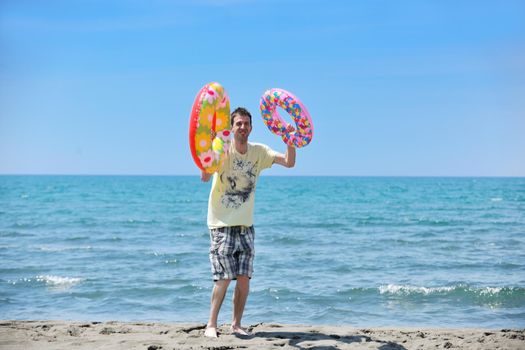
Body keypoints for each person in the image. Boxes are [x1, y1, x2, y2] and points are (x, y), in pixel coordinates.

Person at [201, 107, 296, 338]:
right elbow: (205, 176)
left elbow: (289, 163)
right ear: (232, 128)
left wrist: (290, 141)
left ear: (251, 128)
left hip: (246, 226)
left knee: (244, 280)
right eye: (238, 124)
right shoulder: (222, 149)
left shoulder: (258, 152)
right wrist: (210, 147)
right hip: (221, 224)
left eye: (246, 124)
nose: (242, 127)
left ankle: (236, 324)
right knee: (223, 278)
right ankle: (211, 325)